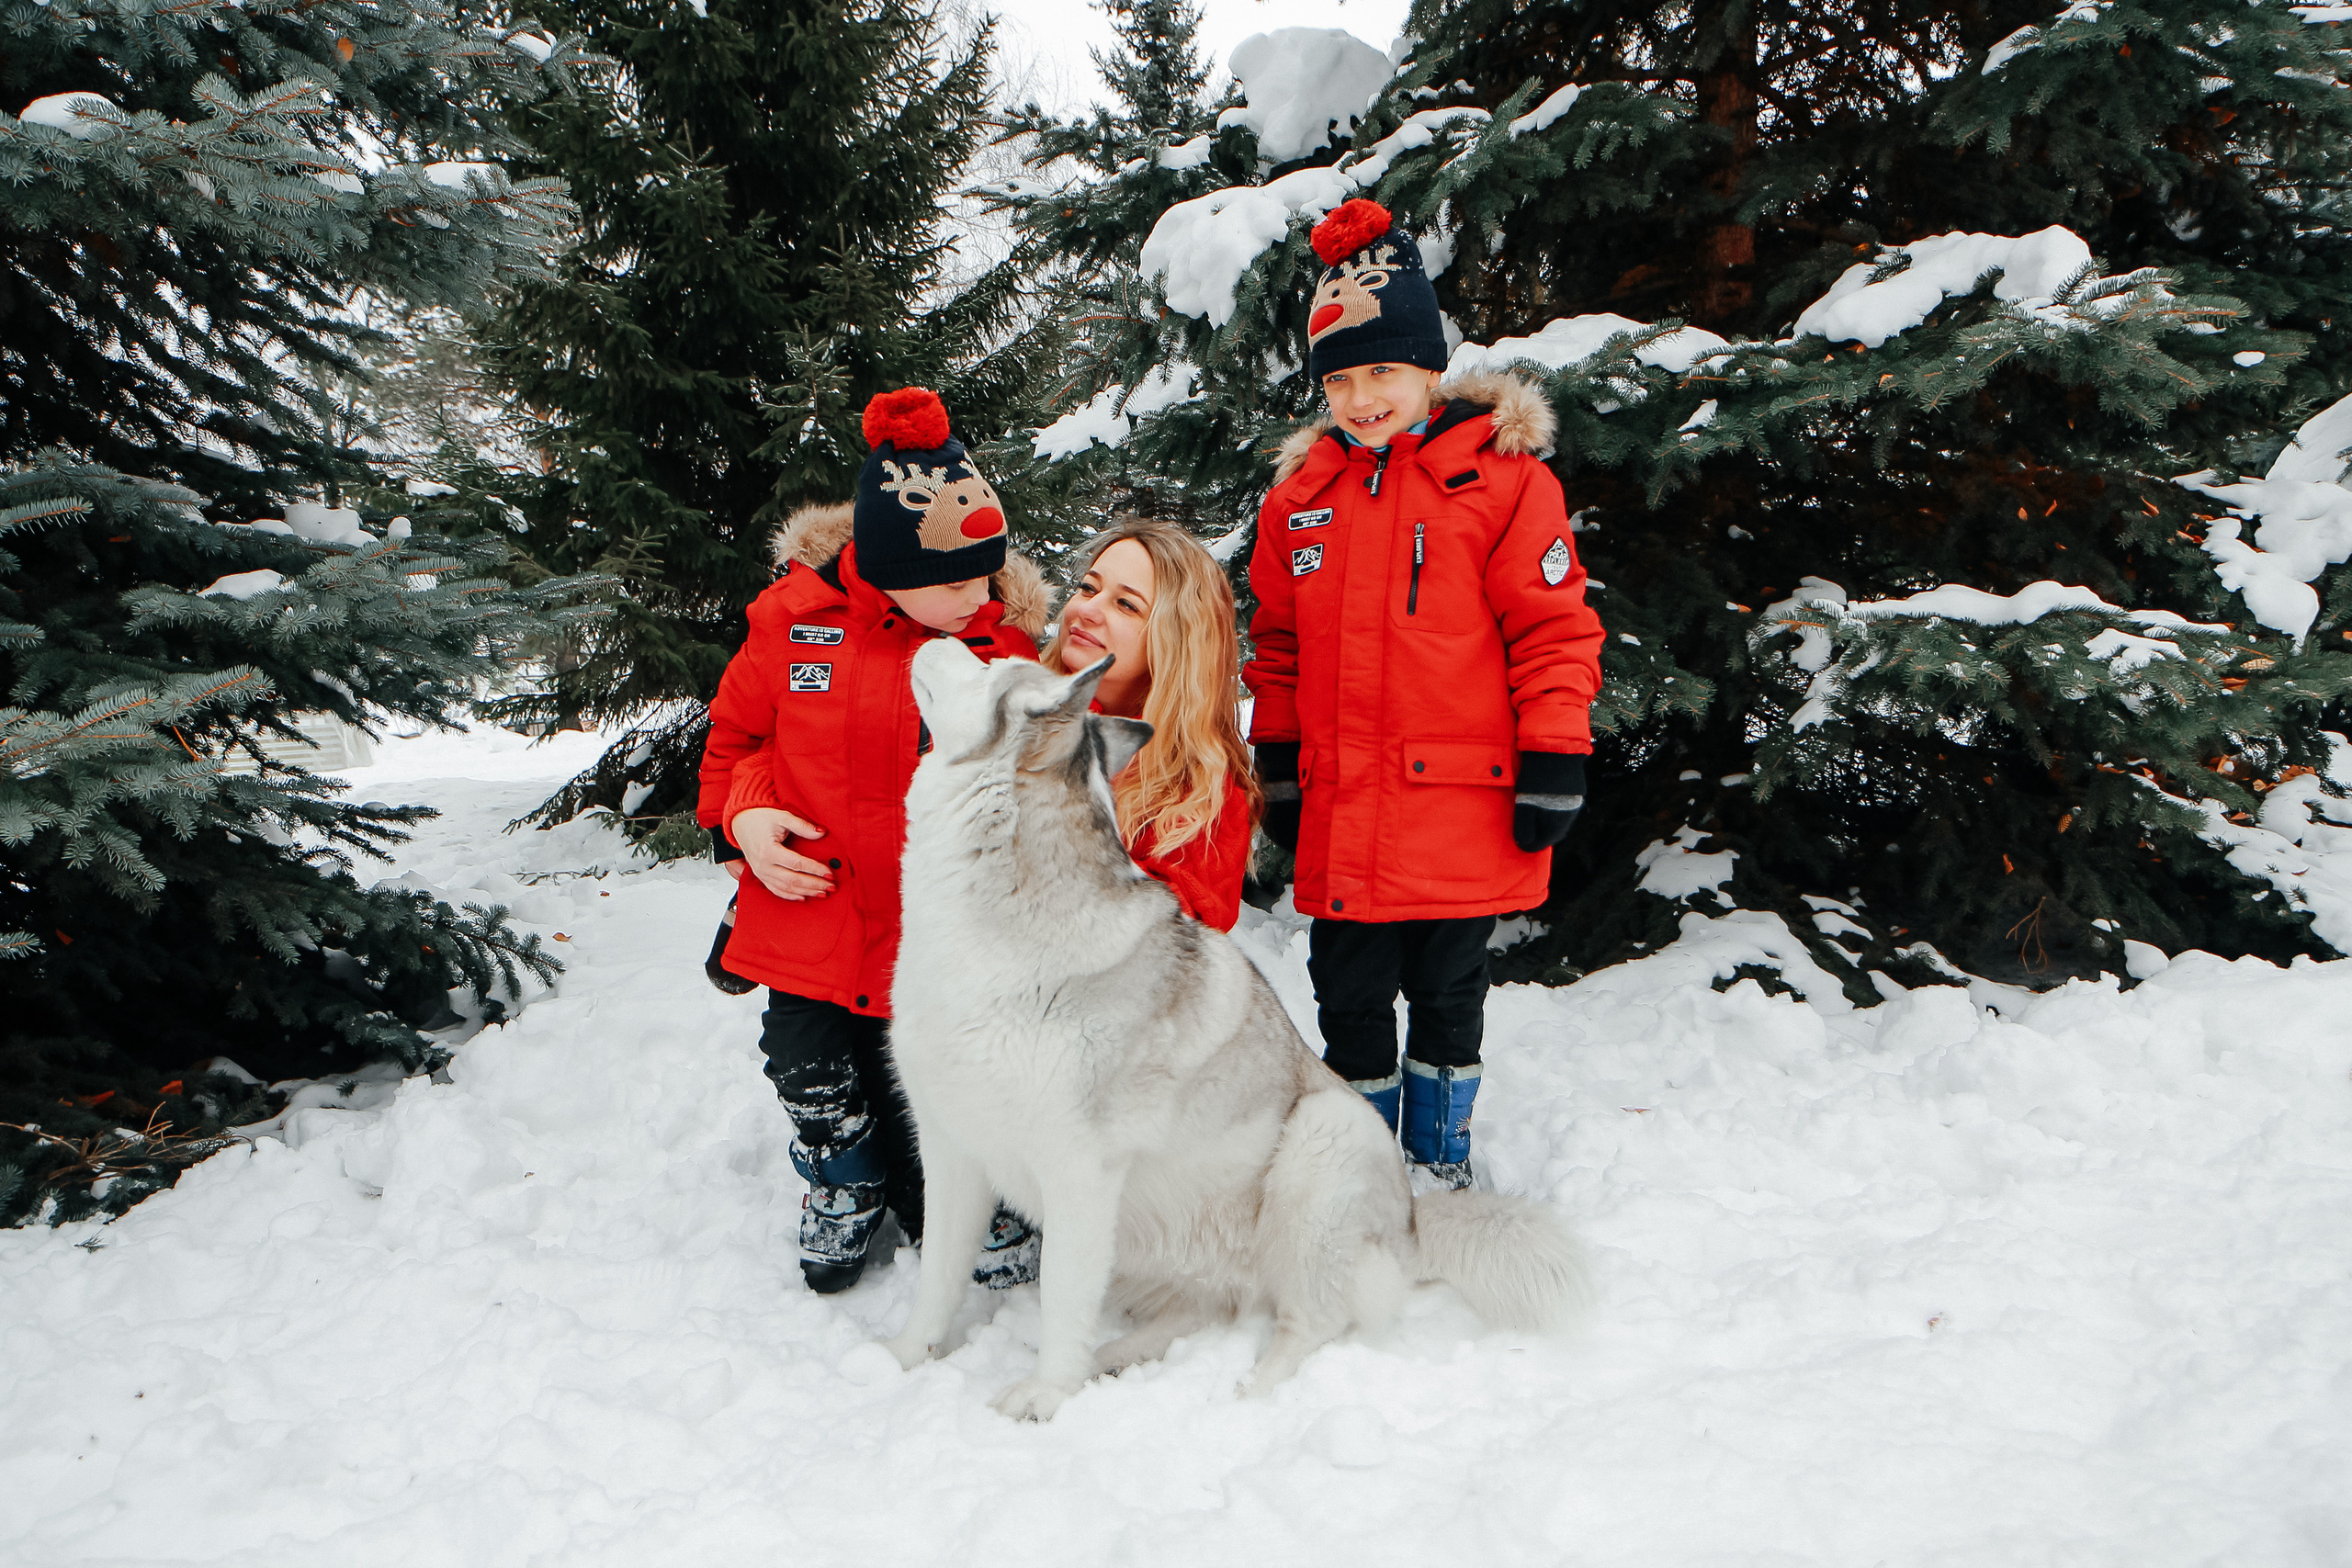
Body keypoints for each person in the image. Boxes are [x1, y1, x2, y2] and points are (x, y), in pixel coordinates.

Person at [1244, 198, 1606, 1190]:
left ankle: (1438, 1157)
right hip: (1344, 808)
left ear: (1428, 368)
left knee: (1448, 994)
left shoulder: (1501, 481)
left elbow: (1552, 628)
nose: (1362, 398)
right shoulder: (1298, 502)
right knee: (1347, 994)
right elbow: (1277, 646)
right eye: (1340, 378)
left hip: (1459, 806)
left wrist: (1555, 752)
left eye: (1383, 373)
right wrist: (1278, 759)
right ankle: (1364, 1166)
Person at [696, 388, 1048, 1293]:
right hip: (816, 899)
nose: (979, 597)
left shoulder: (997, 648)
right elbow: (738, 736)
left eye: (987, 577)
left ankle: (956, 1189)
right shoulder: (792, 624)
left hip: (932, 926)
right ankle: (842, 1175)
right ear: (893, 566)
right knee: (805, 1053)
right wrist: (739, 818)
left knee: (923, 1069)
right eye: (957, 582)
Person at [1040, 518, 1260, 931]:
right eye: (1088, 588)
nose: (1086, 609)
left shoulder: (1199, 792)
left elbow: (1159, 941)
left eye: (1126, 605)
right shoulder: (1012, 710)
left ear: (1175, 641)